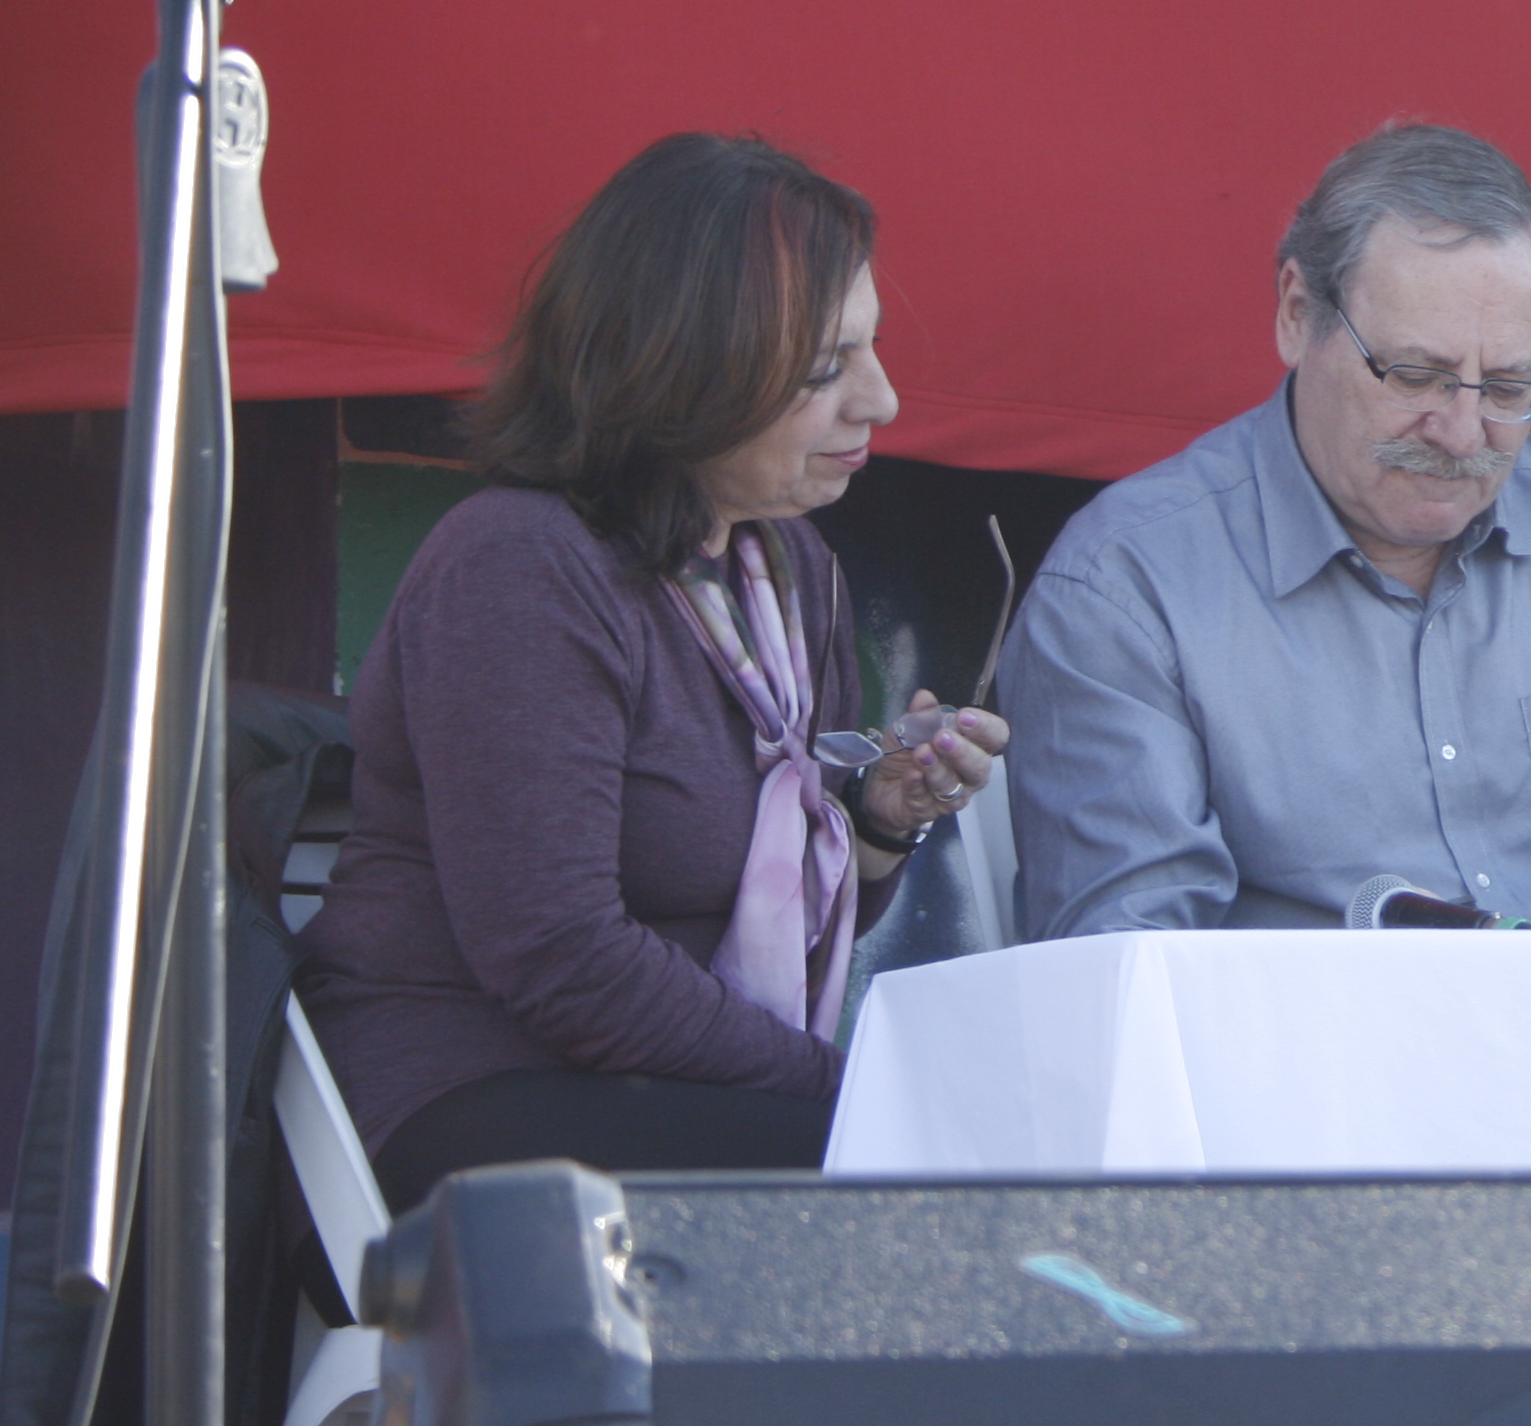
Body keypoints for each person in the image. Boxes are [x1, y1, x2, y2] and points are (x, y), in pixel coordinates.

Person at [296, 134, 1002, 1209]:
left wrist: (872, 825)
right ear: (684, 371)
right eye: (826, 368)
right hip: (471, 1099)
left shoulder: (785, 562)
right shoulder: (523, 568)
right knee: (930, 1183)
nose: (882, 401)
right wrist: (842, 1092)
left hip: (655, 1088)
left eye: (872, 348)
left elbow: (763, 898)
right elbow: (561, 960)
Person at [1004, 123, 1531, 936]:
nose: (1460, 435)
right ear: (1297, 313)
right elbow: (1128, 959)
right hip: (1304, 1074)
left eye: (1508, 389)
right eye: (1416, 375)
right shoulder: (1127, 585)